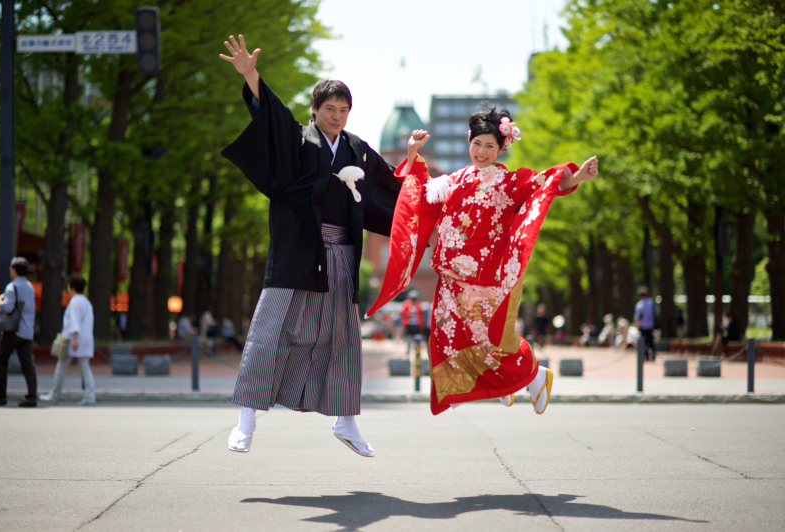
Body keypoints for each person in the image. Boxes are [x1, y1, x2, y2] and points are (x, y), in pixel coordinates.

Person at [219, 35, 401, 456]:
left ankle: (347, 421)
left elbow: (390, 187)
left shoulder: (357, 147)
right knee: (271, 332)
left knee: (343, 339)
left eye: (343, 110)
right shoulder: (299, 140)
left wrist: (410, 162)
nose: (337, 116)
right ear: (315, 111)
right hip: (297, 252)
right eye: (329, 109)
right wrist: (251, 75)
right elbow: (274, 117)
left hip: (340, 255)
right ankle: (246, 418)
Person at [367, 108, 598, 416]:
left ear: (502, 148)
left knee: (490, 341)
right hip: (451, 279)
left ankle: (533, 375)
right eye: (477, 143)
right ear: (468, 141)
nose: (481, 151)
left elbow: (544, 183)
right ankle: (504, 385)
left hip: (484, 279)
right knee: (447, 338)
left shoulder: (509, 182)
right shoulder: (453, 180)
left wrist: (578, 176)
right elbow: (418, 195)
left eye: (490, 145)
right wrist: (412, 154)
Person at [0, 257, 38, 407]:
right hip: (27, 331)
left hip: (13, 330)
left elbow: (8, 308)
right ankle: (32, 397)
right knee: (28, 365)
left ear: (14, 270)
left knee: (1, 361)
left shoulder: (12, 287)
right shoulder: (30, 287)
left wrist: (0, 300)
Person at [39, 275, 95, 405]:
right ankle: (90, 396)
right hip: (86, 339)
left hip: (73, 340)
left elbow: (74, 322)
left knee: (61, 367)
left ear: (72, 287)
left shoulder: (74, 302)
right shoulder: (87, 302)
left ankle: (55, 395)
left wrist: (75, 339)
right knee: (85, 368)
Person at [633, 287, 656, 361]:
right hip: (651, 325)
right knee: (651, 341)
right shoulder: (651, 303)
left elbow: (637, 317)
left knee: (643, 342)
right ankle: (653, 355)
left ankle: (645, 356)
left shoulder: (640, 305)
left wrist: (636, 326)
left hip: (643, 326)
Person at [400, 290, 425, 355]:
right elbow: (402, 313)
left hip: (417, 324)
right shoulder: (406, 304)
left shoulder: (419, 304)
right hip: (409, 324)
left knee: (418, 339)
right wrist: (409, 314)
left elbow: (421, 314)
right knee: (408, 339)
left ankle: (418, 352)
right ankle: (407, 351)